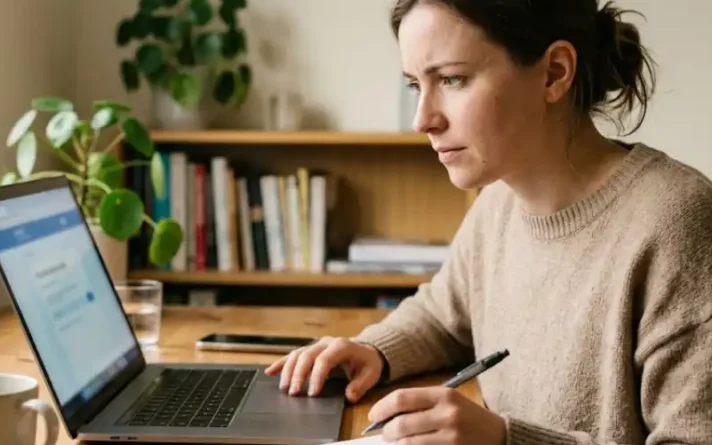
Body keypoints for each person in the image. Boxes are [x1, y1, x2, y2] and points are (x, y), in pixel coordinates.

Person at [265, 0, 712, 444]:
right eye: (414, 86)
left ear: (554, 72)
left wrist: (504, 441)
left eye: (451, 79)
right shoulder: (498, 200)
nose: (423, 120)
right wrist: (375, 350)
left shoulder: (678, 220)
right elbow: (443, 317)